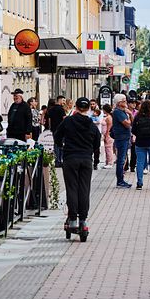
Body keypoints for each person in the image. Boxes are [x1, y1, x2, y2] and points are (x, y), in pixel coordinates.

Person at [53, 97, 101, 237]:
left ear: (76, 107)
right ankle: (83, 219)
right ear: (88, 109)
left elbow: (57, 135)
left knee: (72, 188)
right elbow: (97, 142)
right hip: (86, 159)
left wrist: (62, 145)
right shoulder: (91, 124)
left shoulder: (68, 121)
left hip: (70, 158)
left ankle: (73, 218)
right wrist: (89, 151)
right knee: (84, 189)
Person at [132, 100, 150, 190]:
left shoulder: (137, 117)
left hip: (140, 143)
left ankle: (139, 183)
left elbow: (133, 130)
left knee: (140, 162)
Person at [110, 94, 133, 188]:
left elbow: (132, 122)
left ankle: (121, 179)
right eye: (124, 101)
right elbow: (127, 124)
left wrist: (130, 114)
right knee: (121, 159)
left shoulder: (122, 111)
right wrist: (130, 115)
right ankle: (120, 181)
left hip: (125, 137)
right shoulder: (117, 112)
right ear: (119, 103)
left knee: (123, 159)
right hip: (121, 138)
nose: (126, 102)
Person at [46, 96, 67, 165]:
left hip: (54, 129)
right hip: (61, 130)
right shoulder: (61, 109)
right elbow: (64, 119)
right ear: (59, 100)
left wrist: (50, 129)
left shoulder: (51, 109)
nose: (64, 102)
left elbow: (49, 120)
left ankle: (57, 161)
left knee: (55, 145)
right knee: (61, 145)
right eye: (63, 100)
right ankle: (60, 160)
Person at [100, 104, 115, 169]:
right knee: (106, 149)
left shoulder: (109, 117)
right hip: (105, 134)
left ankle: (110, 162)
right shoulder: (107, 116)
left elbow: (109, 127)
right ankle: (107, 161)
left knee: (109, 148)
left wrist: (106, 135)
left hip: (108, 135)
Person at [127, 99, 138, 172]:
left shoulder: (137, 112)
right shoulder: (125, 112)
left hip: (134, 133)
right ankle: (125, 165)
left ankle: (132, 166)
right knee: (125, 149)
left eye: (135, 103)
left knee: (134, 151)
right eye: (132, 103)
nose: (134, 104)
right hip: (127, 132)